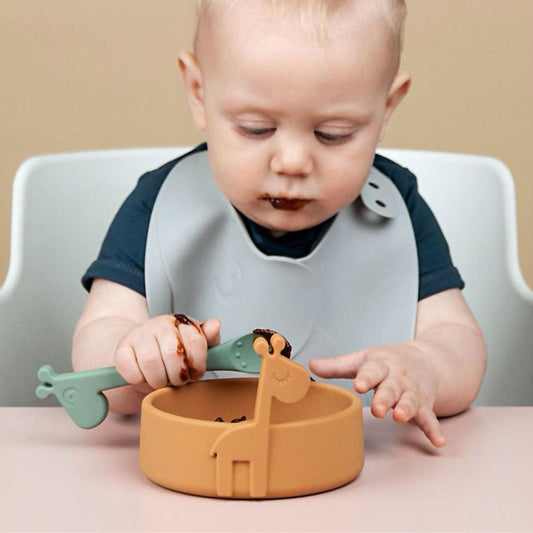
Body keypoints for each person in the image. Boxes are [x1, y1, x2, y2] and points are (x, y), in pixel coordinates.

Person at [72, 0, 486, 448]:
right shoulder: (161, 205)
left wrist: (426, 364)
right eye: (256, 128)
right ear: (198, 91)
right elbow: (98, 350)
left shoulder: (397, 209)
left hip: (364, 468)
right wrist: (136, 355)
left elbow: (459, 342)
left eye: (333, 134)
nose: (292, 162)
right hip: (195, 466)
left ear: (385, 108)